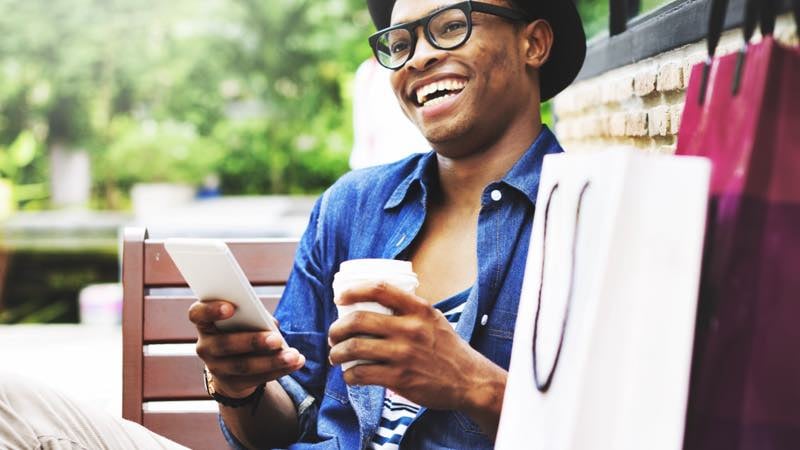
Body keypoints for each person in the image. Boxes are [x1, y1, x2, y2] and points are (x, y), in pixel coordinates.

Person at [0, 0, 585, 449]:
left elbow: (624, 429)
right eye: (400, 42)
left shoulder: (590, 216)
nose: (419, 57)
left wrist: (470, 382)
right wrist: (240, 385)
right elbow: (286, 422)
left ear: (534, 42)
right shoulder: (353, 205)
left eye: (450, 25)